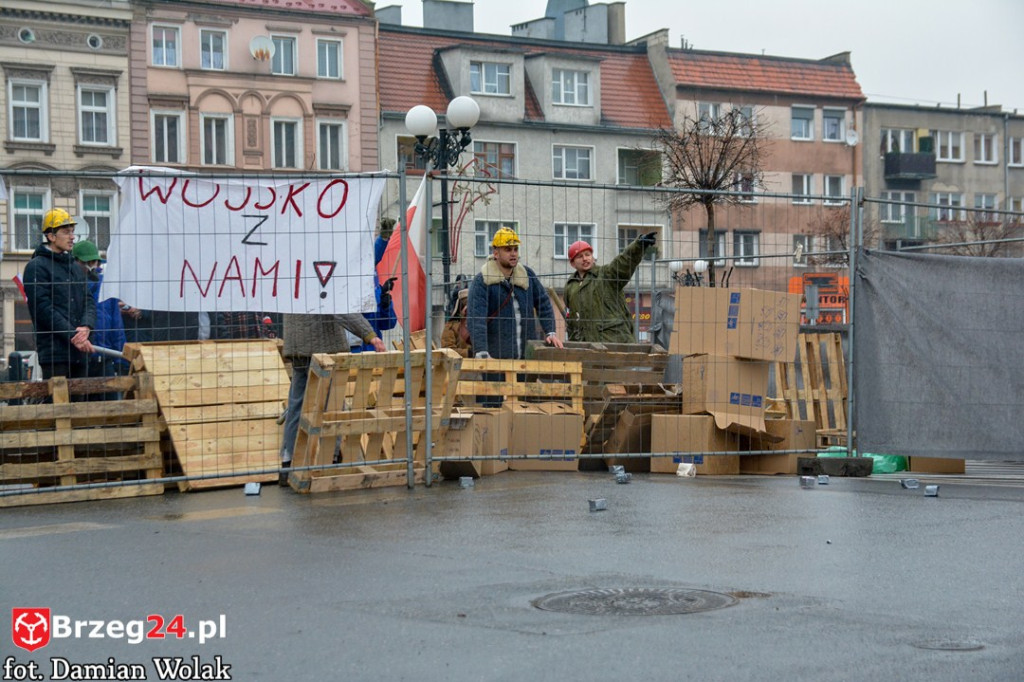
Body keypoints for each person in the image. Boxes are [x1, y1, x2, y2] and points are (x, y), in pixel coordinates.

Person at [279, 313, 386, 483]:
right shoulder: (323, 285)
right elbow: (339, 308)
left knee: (297, 406)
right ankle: (329, 461)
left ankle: (289, 464)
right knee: (332, 406)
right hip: (323, 346)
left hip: (297, 346)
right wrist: (370, 335)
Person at [466, 227, 563, 360]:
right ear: (496, 253)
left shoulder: (527, 275)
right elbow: (476, 319)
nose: (513, 254)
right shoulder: (482, 281)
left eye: (515, 249)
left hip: (527, 358)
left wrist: (550, 332)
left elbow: (544, 303)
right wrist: (482, 352)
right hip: (495, 360)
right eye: (507, 249)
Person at [22, 209, 96, 383]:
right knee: (58, 406)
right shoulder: (36, 267)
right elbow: (43, 309)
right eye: (65, 232)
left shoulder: (75, 267)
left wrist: (86, 326)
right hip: (55, 354)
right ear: (51, 236)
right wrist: (73, 335)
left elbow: (89, 301)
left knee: (80, 408)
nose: (72, 237)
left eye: (72, 232)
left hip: (80, 351)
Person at [563, 232, 657, 344]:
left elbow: (623, 262)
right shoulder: (570, 287)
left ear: (592, 257)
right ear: (573, 263)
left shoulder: (606, 274)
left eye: (588, 254)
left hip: (614, 342)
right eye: (579, 256)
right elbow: (572, 321)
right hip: (585, 347)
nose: (585, 259)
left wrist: (638, 246)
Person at [72, 240, 128, 398]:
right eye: (87, 262)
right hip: (80, 360)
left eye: (93, 261)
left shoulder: (106, 287)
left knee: (109, 412)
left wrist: (122, 360)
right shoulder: (71, 286)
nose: (91, 266)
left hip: (105, 359)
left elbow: (117, 327)